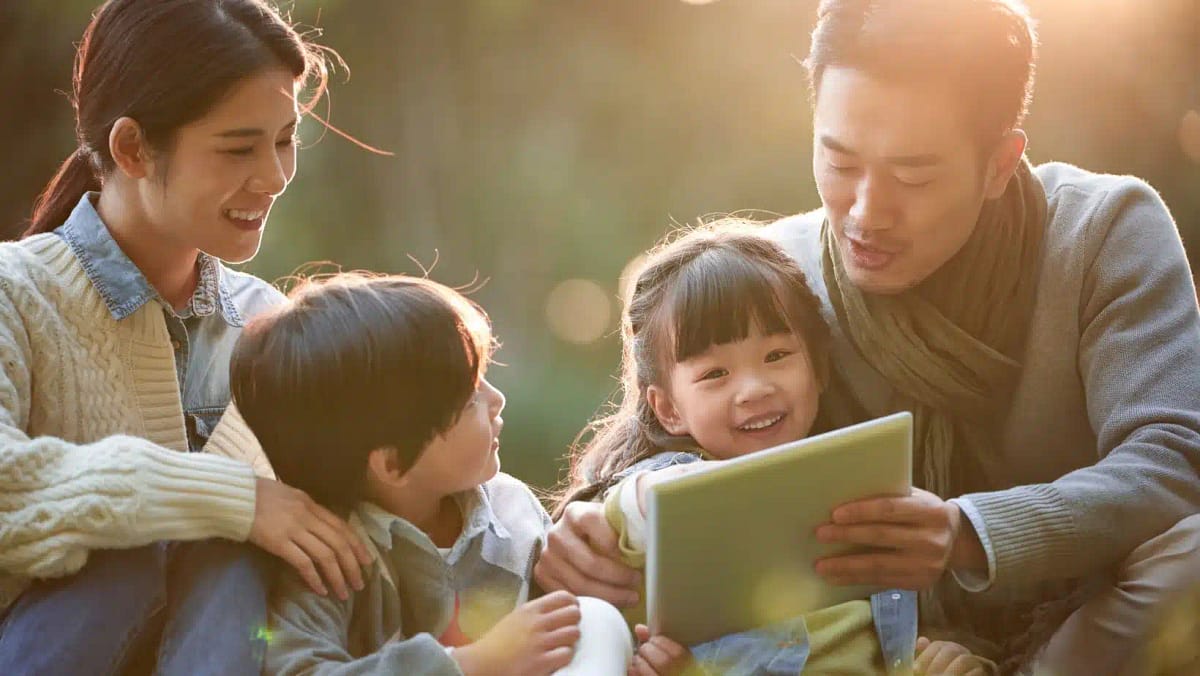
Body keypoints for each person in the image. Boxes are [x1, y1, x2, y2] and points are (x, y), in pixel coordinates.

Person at [539, 1, 1200, 673]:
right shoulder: (780, 275)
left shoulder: (1103, 232)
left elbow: (1174, 460)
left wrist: (968, 533)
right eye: (840, 162)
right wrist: (586, 525)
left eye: (912, 174)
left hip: (1083, 627)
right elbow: (658, 440)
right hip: (867, 645)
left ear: (1000, 164)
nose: (864, 214)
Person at [0, 1, 372, 673]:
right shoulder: (13, 293)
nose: (276, 175)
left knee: (237, 564)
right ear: (133, 148)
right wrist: (236, 501)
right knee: (147, 542)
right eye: (239, 148)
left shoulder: (271, 325)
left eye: (285, 139)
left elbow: (387, 489)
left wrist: (562, 534)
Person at [554, 222, 992, 675]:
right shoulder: (670, 483)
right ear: (669, 410)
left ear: (819, 368)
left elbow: (894, 638)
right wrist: (654, 495)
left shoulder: (860, 478)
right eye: (714, 375)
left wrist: (952, 663)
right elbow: (622, 514)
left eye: (777, 356)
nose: (754, 389)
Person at [232, 273, 632, 675]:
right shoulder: (330, 560)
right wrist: (467, 666)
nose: (497, 400)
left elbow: (560, 627)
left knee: (596, 621)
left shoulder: (513, 510)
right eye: (470, 399)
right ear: (391, 464)